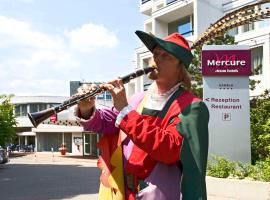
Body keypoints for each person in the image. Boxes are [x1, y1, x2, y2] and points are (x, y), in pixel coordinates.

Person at [75, 30, 209, 200]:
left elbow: (169, 149)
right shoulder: (139, 98)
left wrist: (125, 111)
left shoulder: (192, 107)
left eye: (165, 56)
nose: (156, 60)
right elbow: (108, 122)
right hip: (126, 192)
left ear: (180, 67)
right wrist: (87, 109)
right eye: (155, 54)